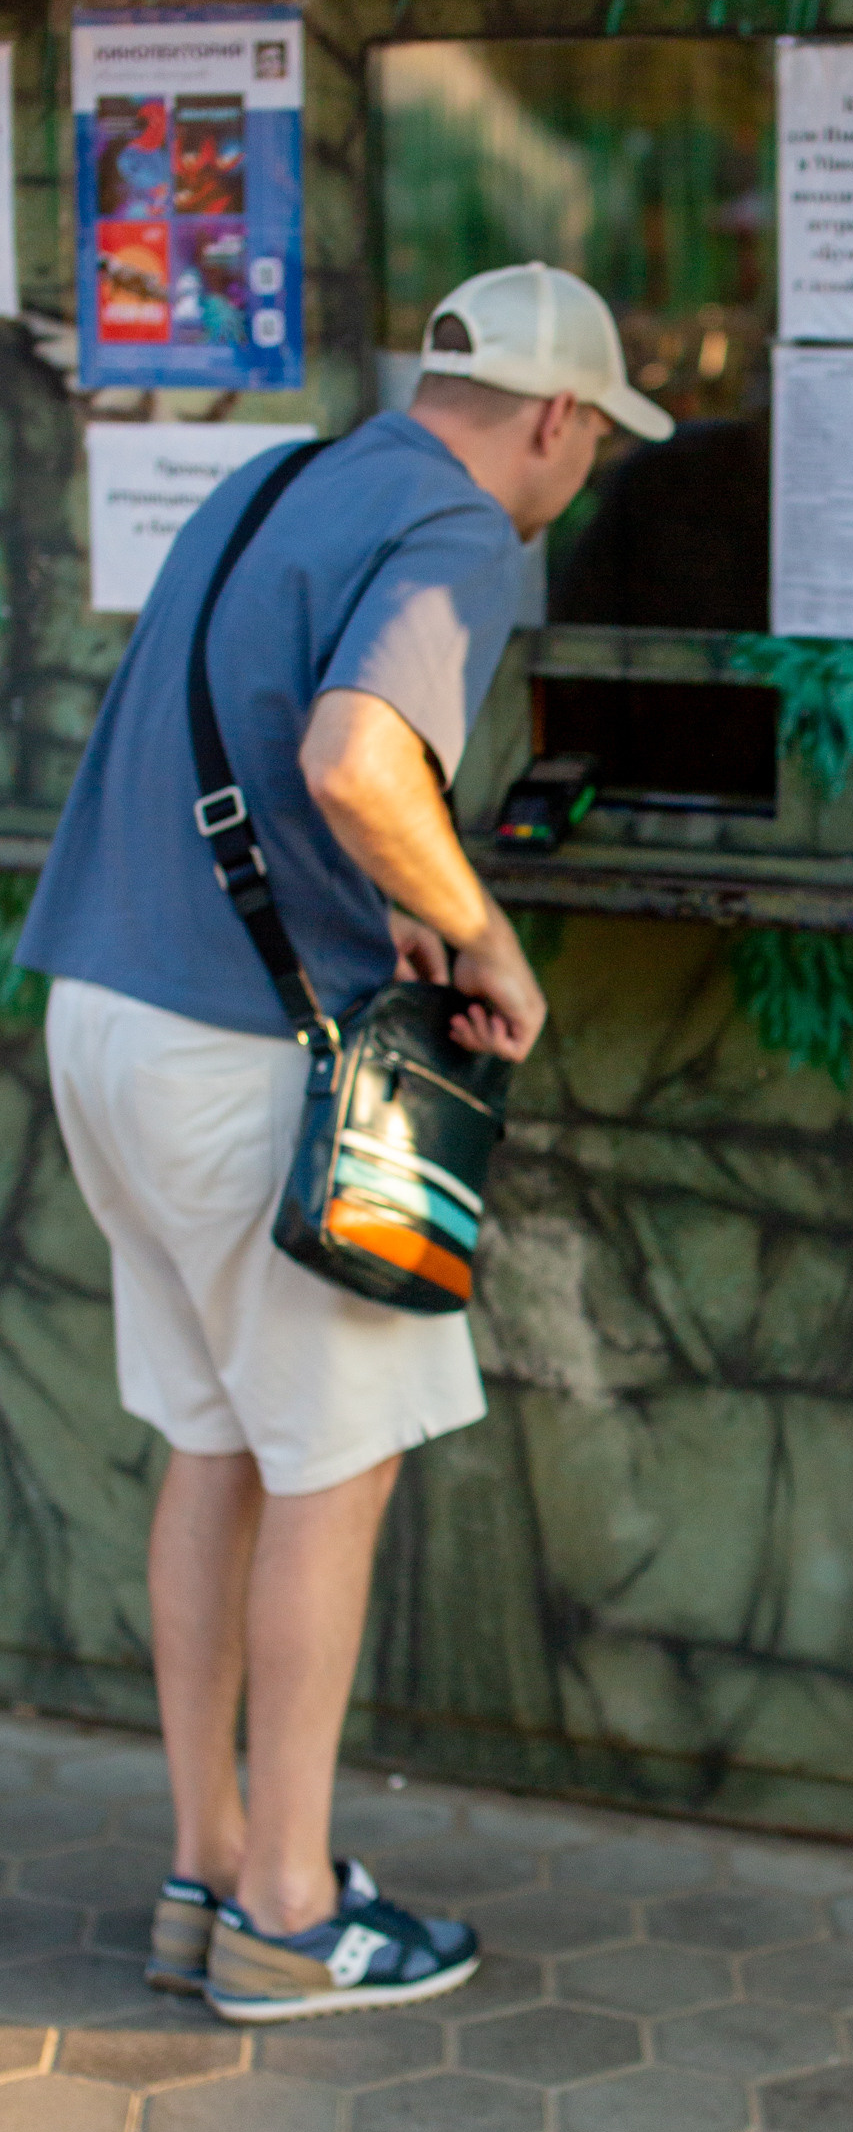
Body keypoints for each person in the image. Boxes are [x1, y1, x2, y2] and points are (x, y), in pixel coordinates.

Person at [19, 262, 672, 2024]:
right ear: (556, 418)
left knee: (215, 1441)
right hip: (246, 1063)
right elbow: (356, 759)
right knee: (331, 1463)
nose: (585, 475)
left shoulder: (282, 476)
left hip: (103, 1015)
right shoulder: (463, 532)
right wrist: (483, 930)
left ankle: (207, 1862)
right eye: (597, 443)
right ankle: (293, 1918)